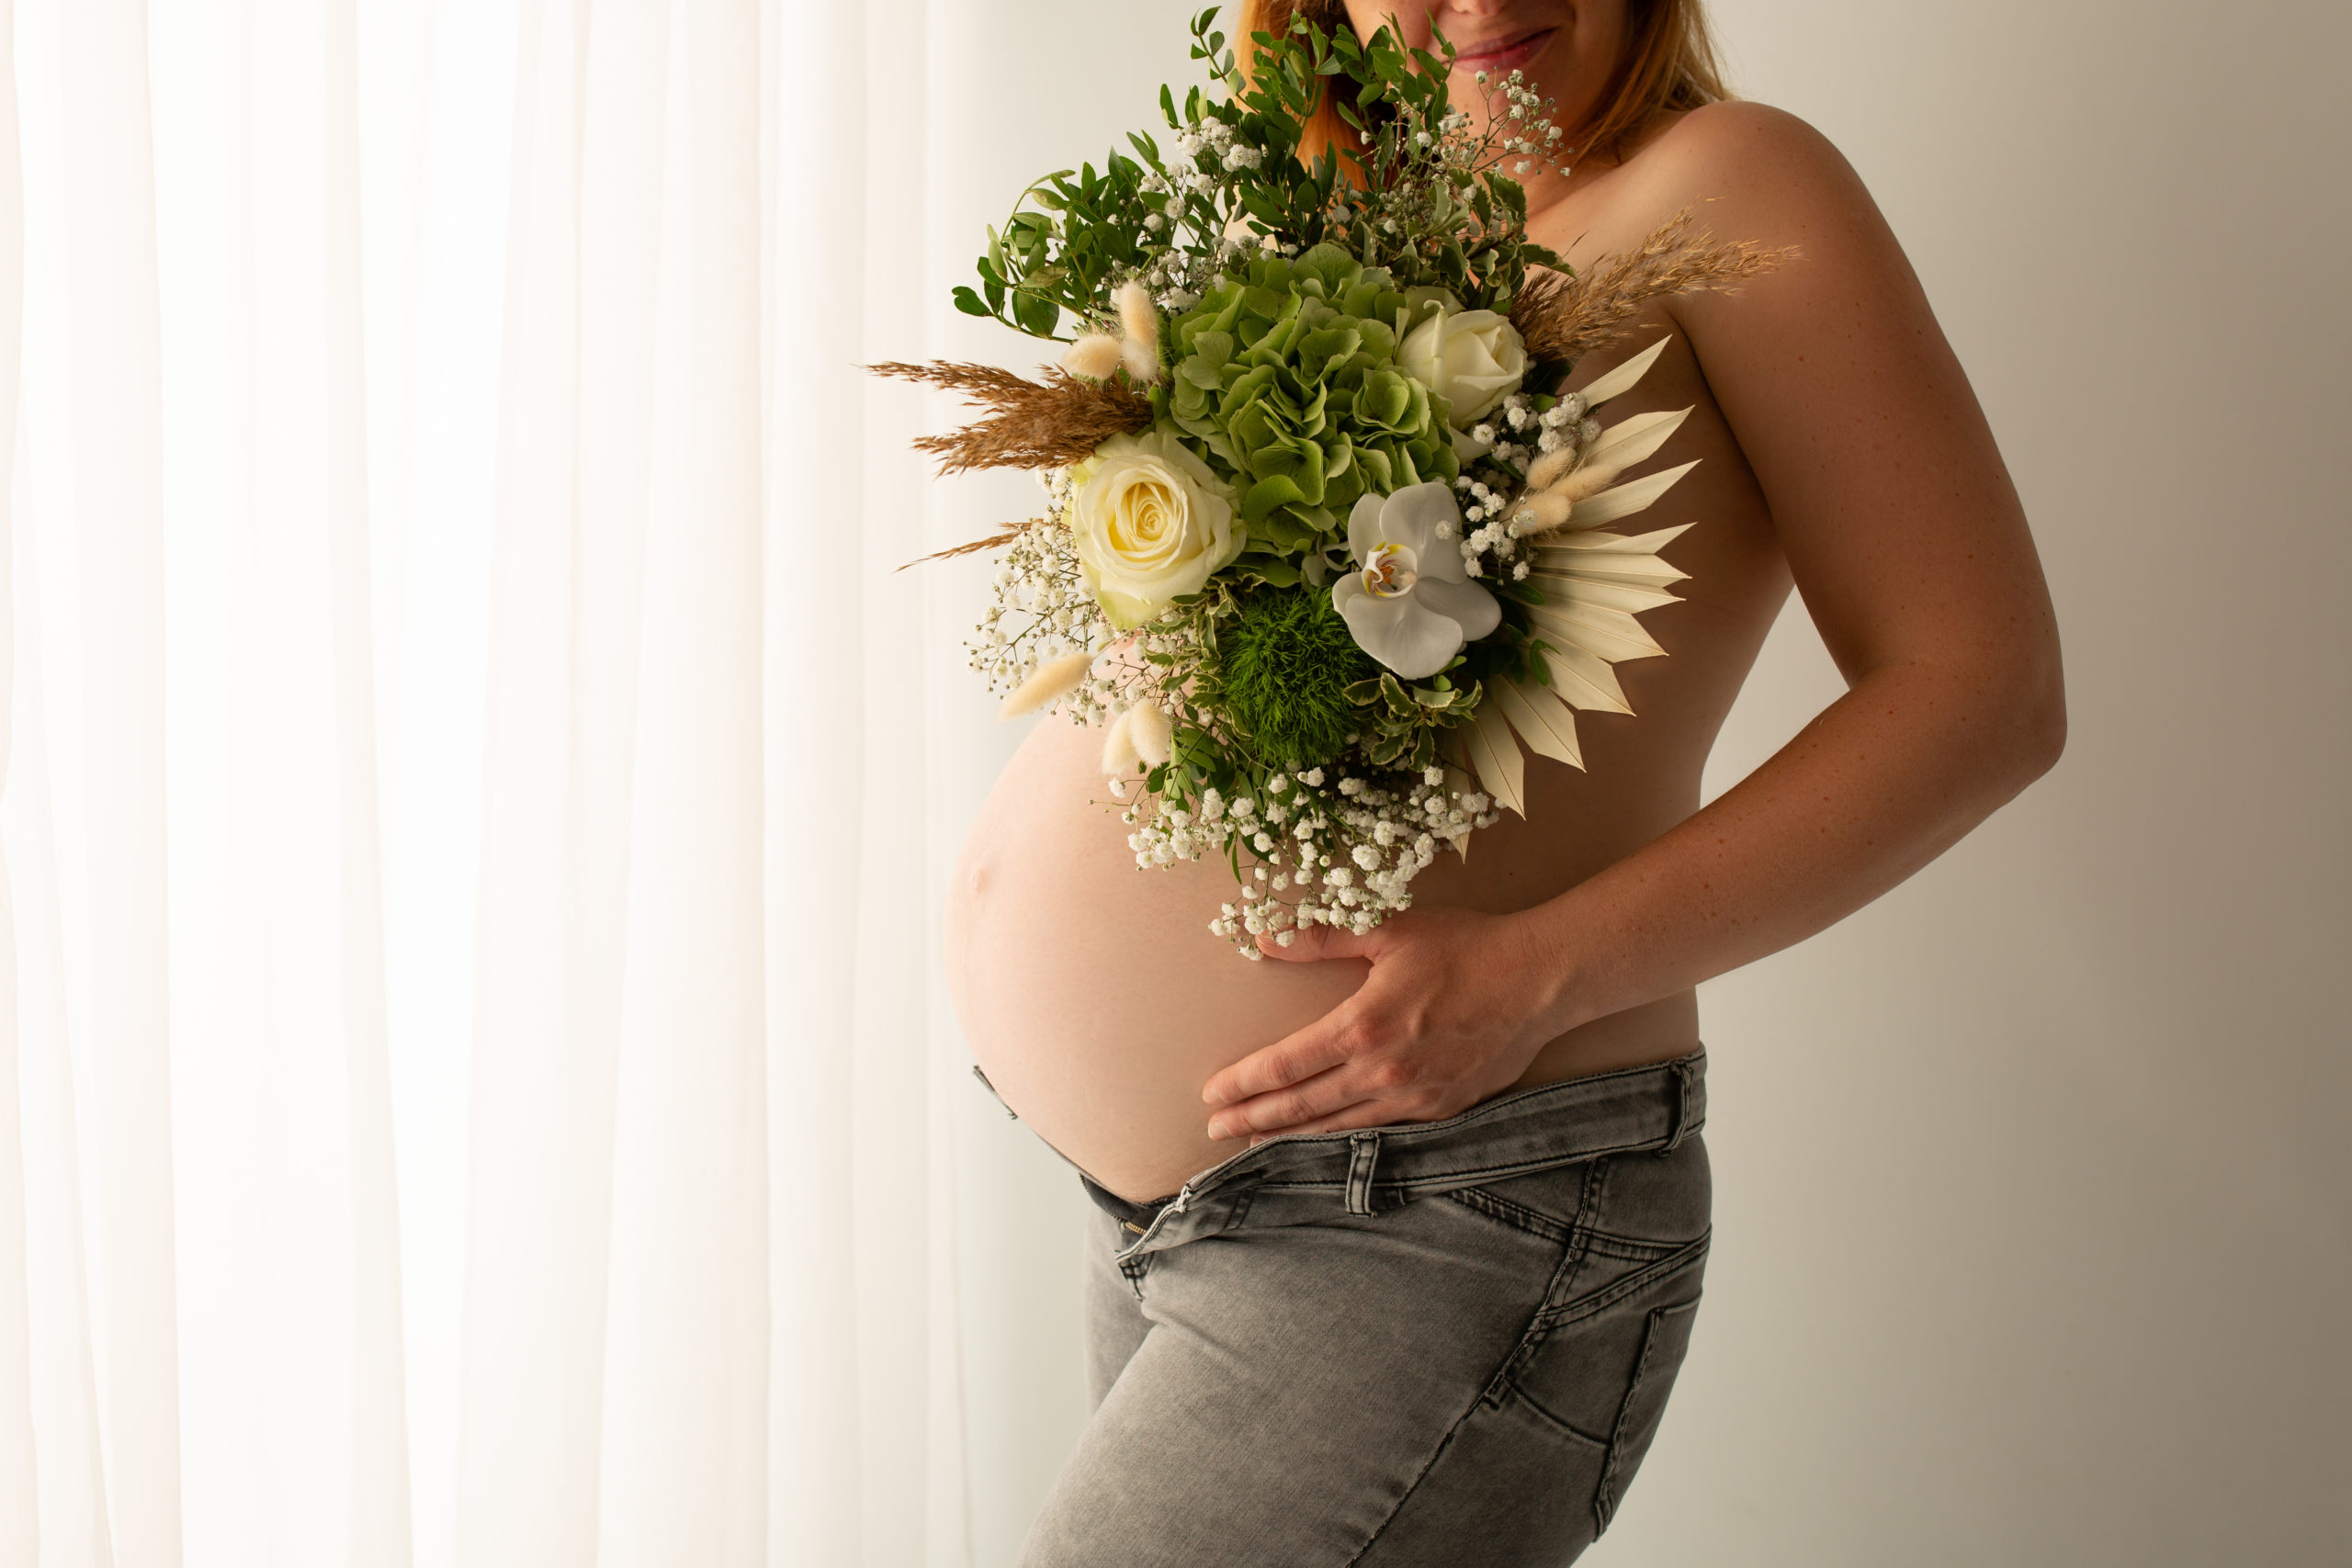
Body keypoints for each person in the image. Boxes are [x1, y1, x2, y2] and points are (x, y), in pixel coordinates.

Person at [943, 0, 2065, 1560]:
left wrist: (1543, 973)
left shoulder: (1730, 184)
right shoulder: (1331, 228)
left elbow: (1982, 691)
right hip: (1183, 1218)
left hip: (1440, 1212)